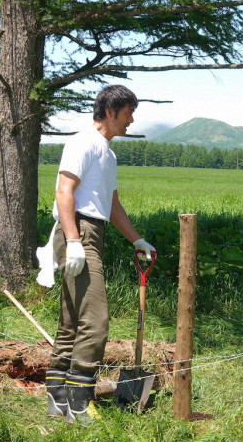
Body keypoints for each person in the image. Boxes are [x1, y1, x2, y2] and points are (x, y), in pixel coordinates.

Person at [42, 85, 156, 425]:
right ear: (110, 111)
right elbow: (64, 191)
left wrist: (137, 239)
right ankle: (80, 403)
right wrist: (75, 242)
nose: (131, 120)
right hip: (78, 232)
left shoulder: (108, 154)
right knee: (96, 321)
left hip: (93, 231)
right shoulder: (83, 142)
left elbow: (112, 204)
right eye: (128, 112)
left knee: (72, 323)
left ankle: (57, 401)